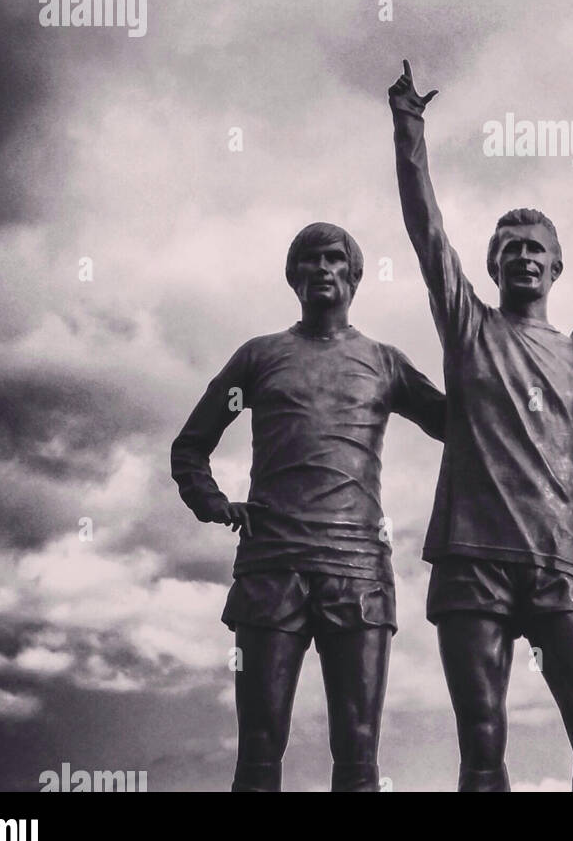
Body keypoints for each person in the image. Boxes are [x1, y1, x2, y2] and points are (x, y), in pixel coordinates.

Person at [389, 60, 573, 792]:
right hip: (473, 556)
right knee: (483, 745)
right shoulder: (469, 327)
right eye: (510, 247)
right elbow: (426, 231)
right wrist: (408, 126)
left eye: (536, 248)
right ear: (491, 264)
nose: (523, 255)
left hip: (562, 557)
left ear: (557, 266)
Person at [171, 221, 446, 792]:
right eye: (310, 260)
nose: (322, 268)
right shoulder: (259, 357)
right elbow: (191, 446)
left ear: (355, 275)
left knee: (358, 749)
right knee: (260, 746)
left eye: (334, 259)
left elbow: (459, 425)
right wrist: (213, 503)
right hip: (272, 568)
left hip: (358, 574)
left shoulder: (384, 362)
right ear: (293, 276)